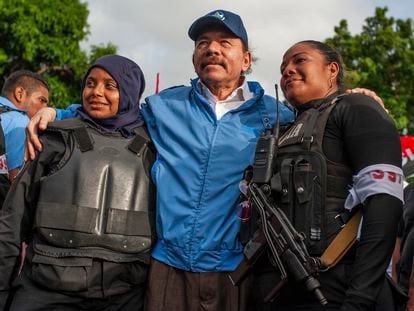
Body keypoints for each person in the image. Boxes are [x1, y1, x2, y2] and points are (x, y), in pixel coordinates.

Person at [23, 11, 387, 311]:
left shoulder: (278, 116)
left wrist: (355, 96)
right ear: (195, 57)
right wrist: (56, 111)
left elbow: (325, 115)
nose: (212, 49)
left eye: (224, 44)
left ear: (245, 59)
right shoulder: (164, 106)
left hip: (238, 271)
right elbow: (113, 112)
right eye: (202, 44)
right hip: (166, 267)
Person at [246, 40, 404, 310]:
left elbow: (384, 205)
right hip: (276, 291)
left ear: (332, 69)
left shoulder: (357, 109)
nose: (287, 71)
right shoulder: (276, 133)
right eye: (283, 67)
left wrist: (360, 298)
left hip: (338, 289)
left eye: (299, 61)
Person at [0, 55, 155, 311]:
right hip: (46, 293)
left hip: (124, 297)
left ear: (129, 91)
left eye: (110, 86)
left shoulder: (154, 149)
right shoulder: (53, 139)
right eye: (90, 83)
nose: (96, 92)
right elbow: (11, 223)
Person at [0, 70, 49, 207]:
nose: (45, 108)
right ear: (20, 94)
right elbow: (16, 181)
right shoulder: (21, 123)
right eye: (42, 100)